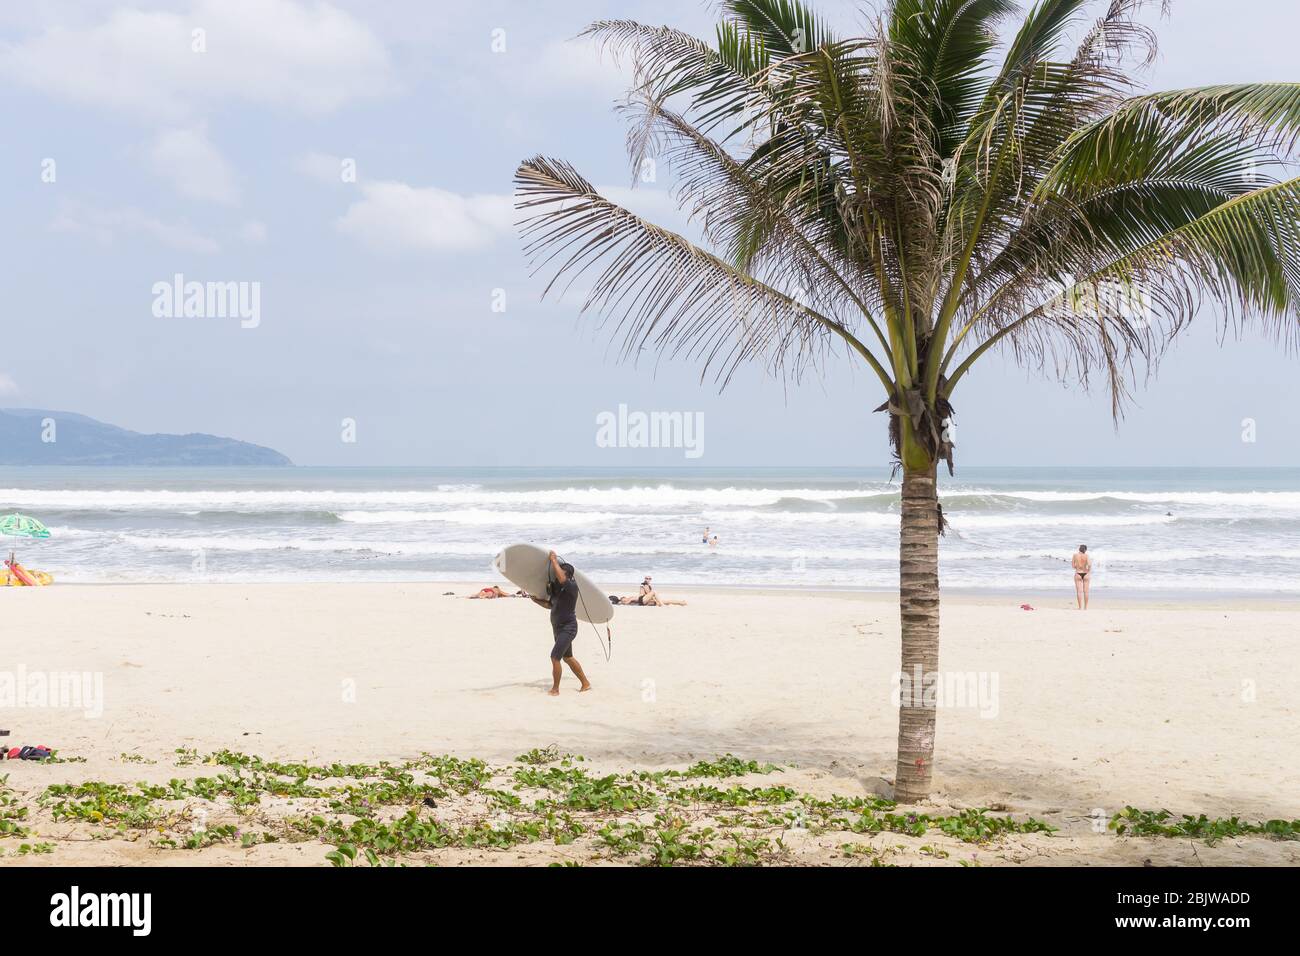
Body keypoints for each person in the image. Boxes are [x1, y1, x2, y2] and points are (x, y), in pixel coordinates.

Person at [530, 551, 591, 696]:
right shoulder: (558, 590)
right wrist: (534, 599)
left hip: (568, 628)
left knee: (554, 657)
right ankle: (586, 683)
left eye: (560, 573)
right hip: (557, 628)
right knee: (567, 657)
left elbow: (562, 577)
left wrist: (553, 560)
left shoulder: (571, 587)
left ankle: (555, 689)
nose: (557, 576)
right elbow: (550, 605)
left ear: (568, 575)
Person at [1071, 545, 1092, 610]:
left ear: (1079, 549)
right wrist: (1088, 570)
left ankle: (1080, 607)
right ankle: (1085, 607)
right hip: (1085, 573)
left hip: (1078, 573)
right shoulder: (1086, 556)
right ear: (1085, 550)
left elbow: (1073, 566)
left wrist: (1077, 567)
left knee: (1079, 592)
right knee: (1086, 591)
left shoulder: (1075, 555)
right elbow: (1089, 564)